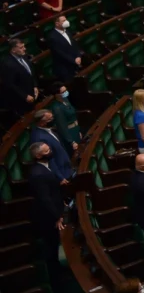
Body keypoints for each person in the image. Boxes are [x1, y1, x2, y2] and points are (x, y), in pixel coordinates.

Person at [29, 142, 66, 277]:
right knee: (51, 245)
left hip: (51, 212)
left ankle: (56, 268)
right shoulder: (38, 174)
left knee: (54, 243)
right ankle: (55, 274)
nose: (50, 151)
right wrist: (57, 216)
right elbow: (45, 199)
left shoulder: (44, 167)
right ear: (38, 156)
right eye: (47, 151)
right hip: (47, 217)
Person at [31, 108, 74, 182]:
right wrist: (60, 177)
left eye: (52, 117)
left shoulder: (48, 129)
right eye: (50, 119)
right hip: (62, 174)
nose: (53, 120)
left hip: (67, 168)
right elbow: (49, 159)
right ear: (41, 123)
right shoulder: (39, 137)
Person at [49, 85, 80, 150]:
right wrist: (71, 142)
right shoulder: (57, 108)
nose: (66, 92)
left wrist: (78, 130)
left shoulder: (65, 100)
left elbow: (73, 116)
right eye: (63, 92)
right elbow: (61, 126)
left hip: (76, 129)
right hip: (69, 134)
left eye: (66, 90)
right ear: (57, 95)